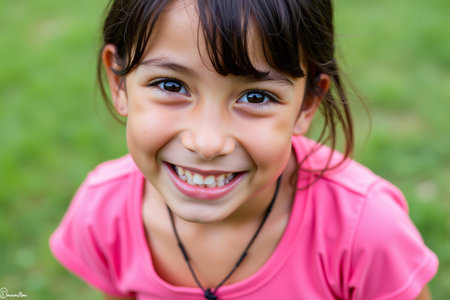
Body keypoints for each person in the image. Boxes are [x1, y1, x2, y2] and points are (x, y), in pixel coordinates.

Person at [49, 0, 438, 299]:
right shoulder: (101, 213)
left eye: (255, 95)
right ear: (120, 84)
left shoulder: (366, 231)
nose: (207, 143)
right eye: (170, 86)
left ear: (306, 104)